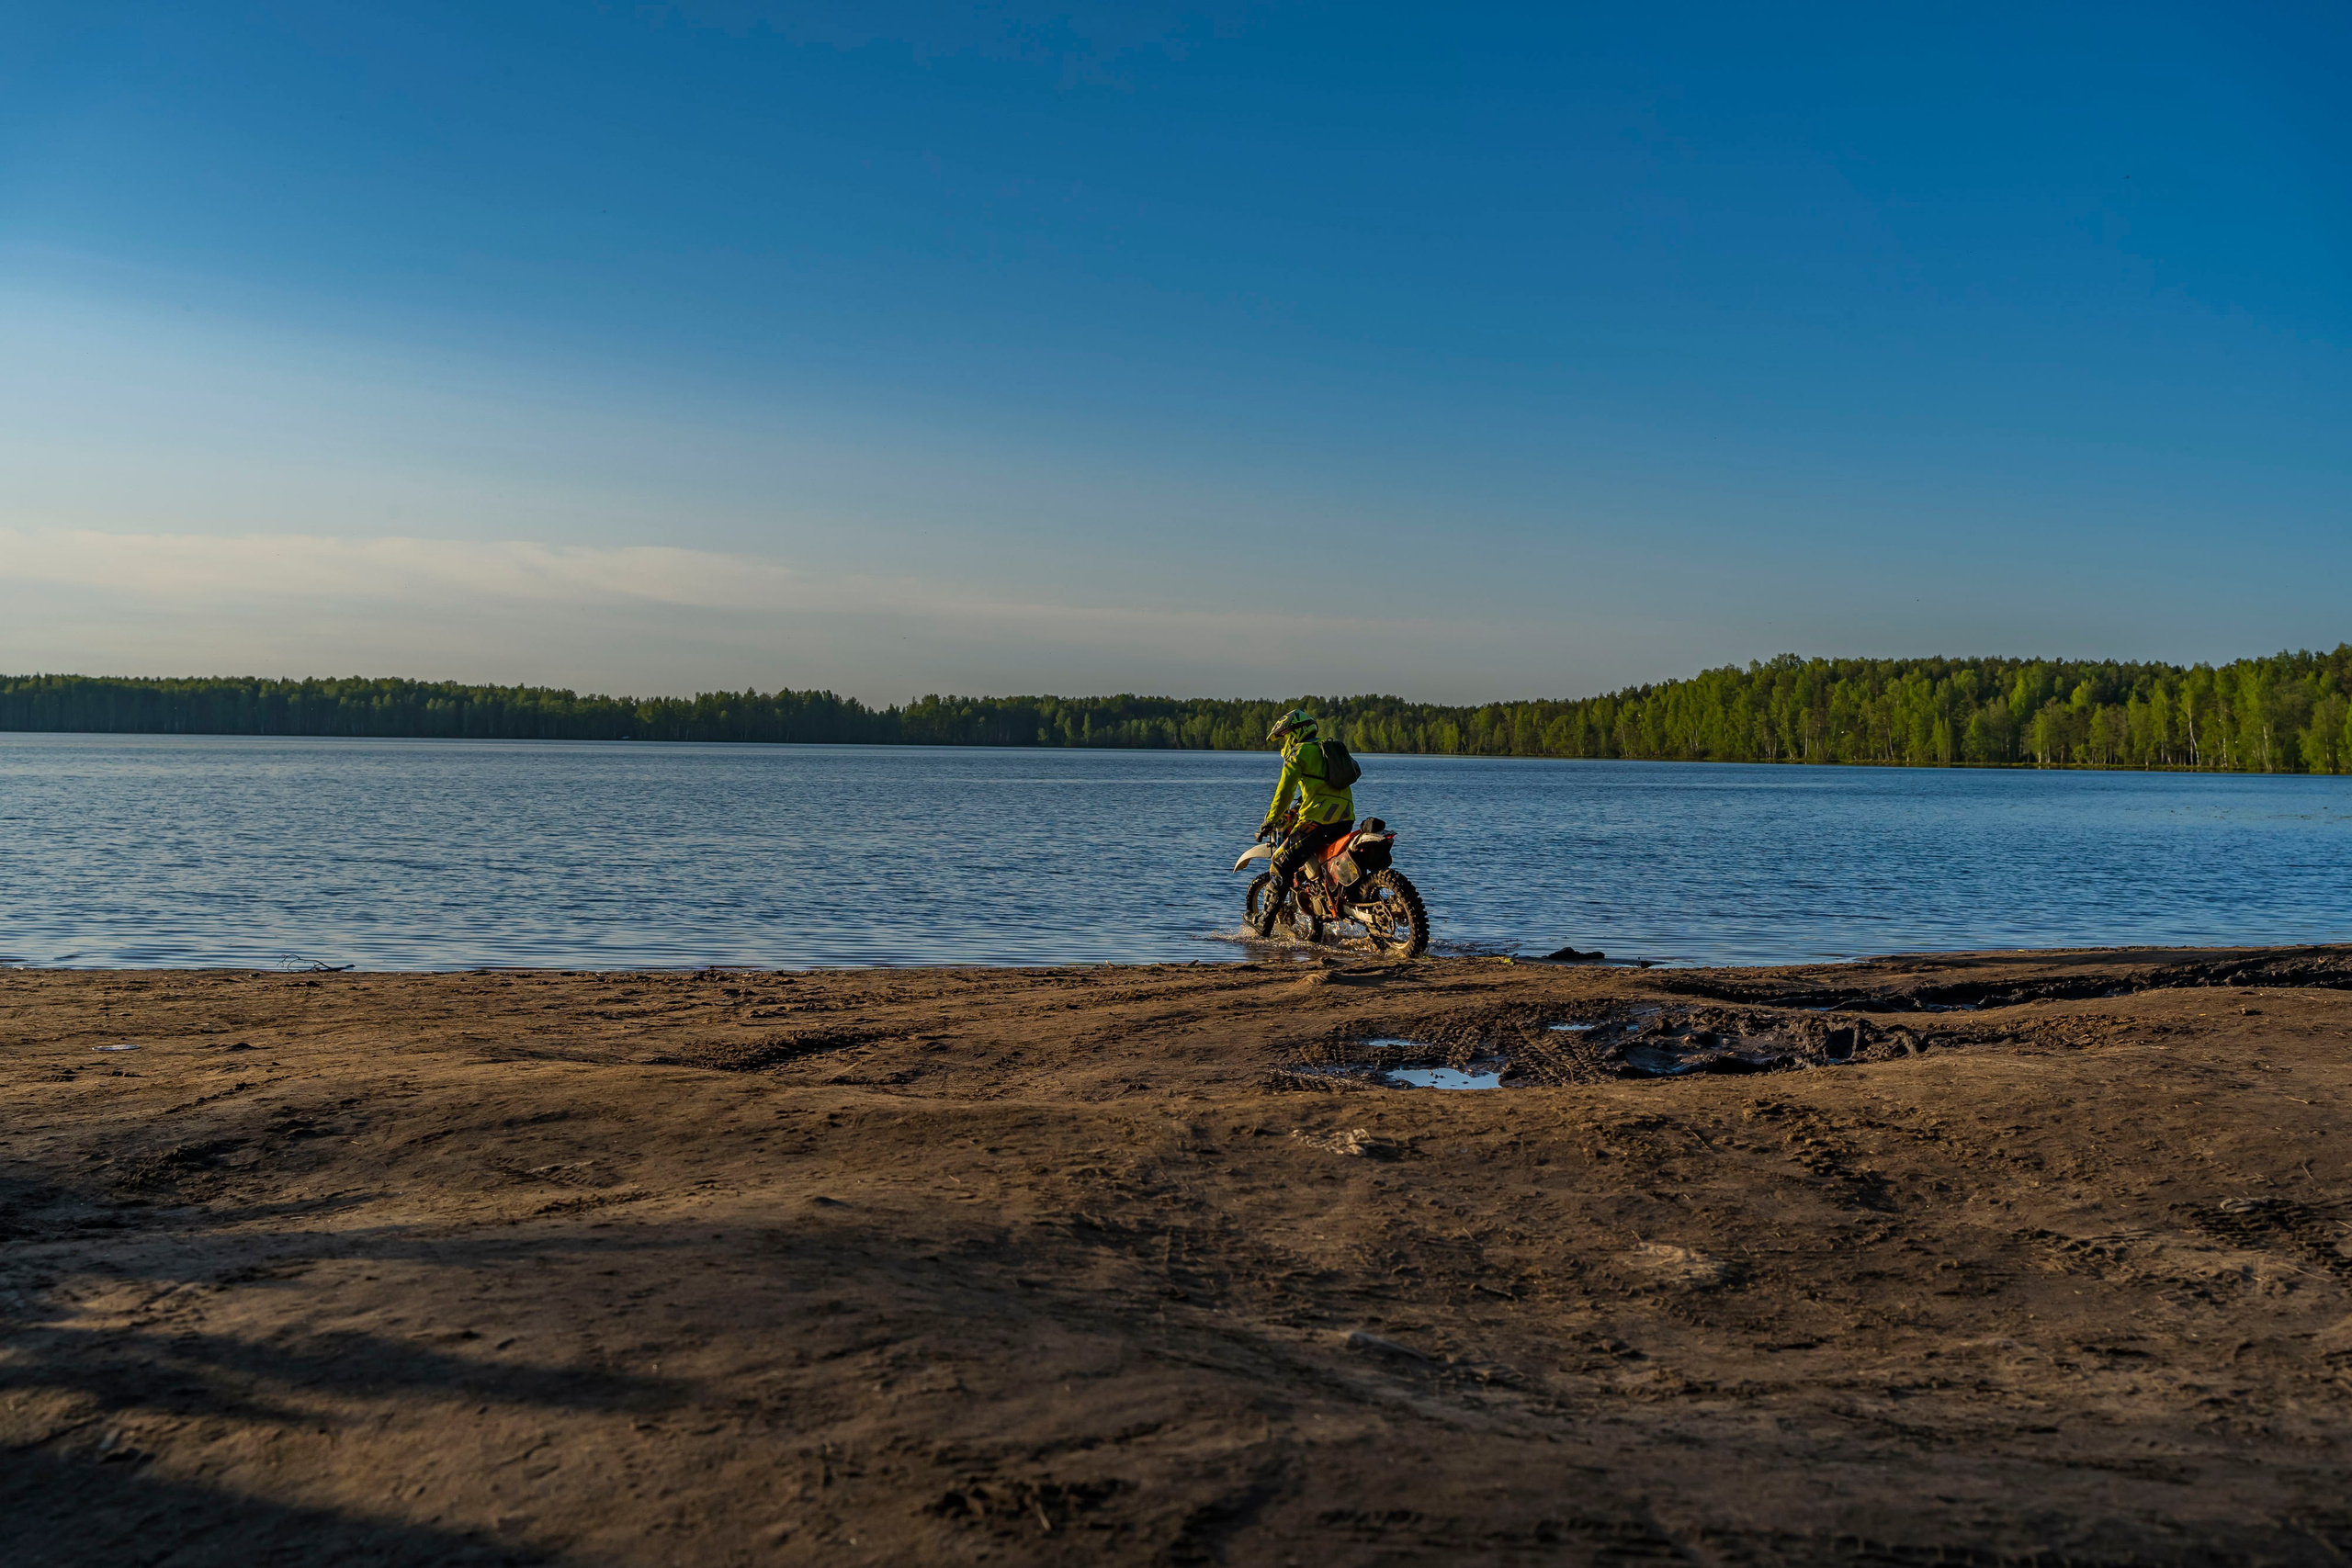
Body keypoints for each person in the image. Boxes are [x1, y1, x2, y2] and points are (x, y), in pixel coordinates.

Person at [1252, 709, 1355, 936]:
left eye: (1285, 737)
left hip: (1317, 822)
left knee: (1280, 862)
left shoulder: (1298, 753)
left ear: (1295, 733)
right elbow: (1322, 789)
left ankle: (1264, 923)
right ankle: (1318, 926)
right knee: (1321, 869)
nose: (1285, 743)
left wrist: (1270, 820)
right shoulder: (1329, 749)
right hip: (1345, 819)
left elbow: (1284, 794)